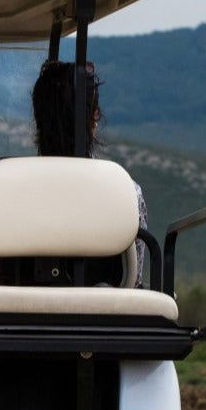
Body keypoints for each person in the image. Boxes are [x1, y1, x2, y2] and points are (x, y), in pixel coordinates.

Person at [31, 61, 148, 287]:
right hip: (103, 314)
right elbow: (134, 277)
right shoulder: (125, 191)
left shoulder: (13, 189)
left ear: (38, 119)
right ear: (94, 117)